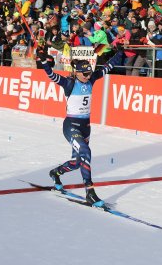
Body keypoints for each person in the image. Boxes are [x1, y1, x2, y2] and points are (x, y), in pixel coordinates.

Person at [36, 47, 121, 206]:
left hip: (85, 126)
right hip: (71, 126)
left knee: (77, 162)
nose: (88, 76)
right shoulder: (69, 83)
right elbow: (51, 75)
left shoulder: (91, 79)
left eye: (90, 73)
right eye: (85, 74)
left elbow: (107, 67)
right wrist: (42, 60)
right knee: (85, 152)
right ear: (77, 72)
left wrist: (120, 53)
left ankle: (55, 173)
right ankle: (90, 192)